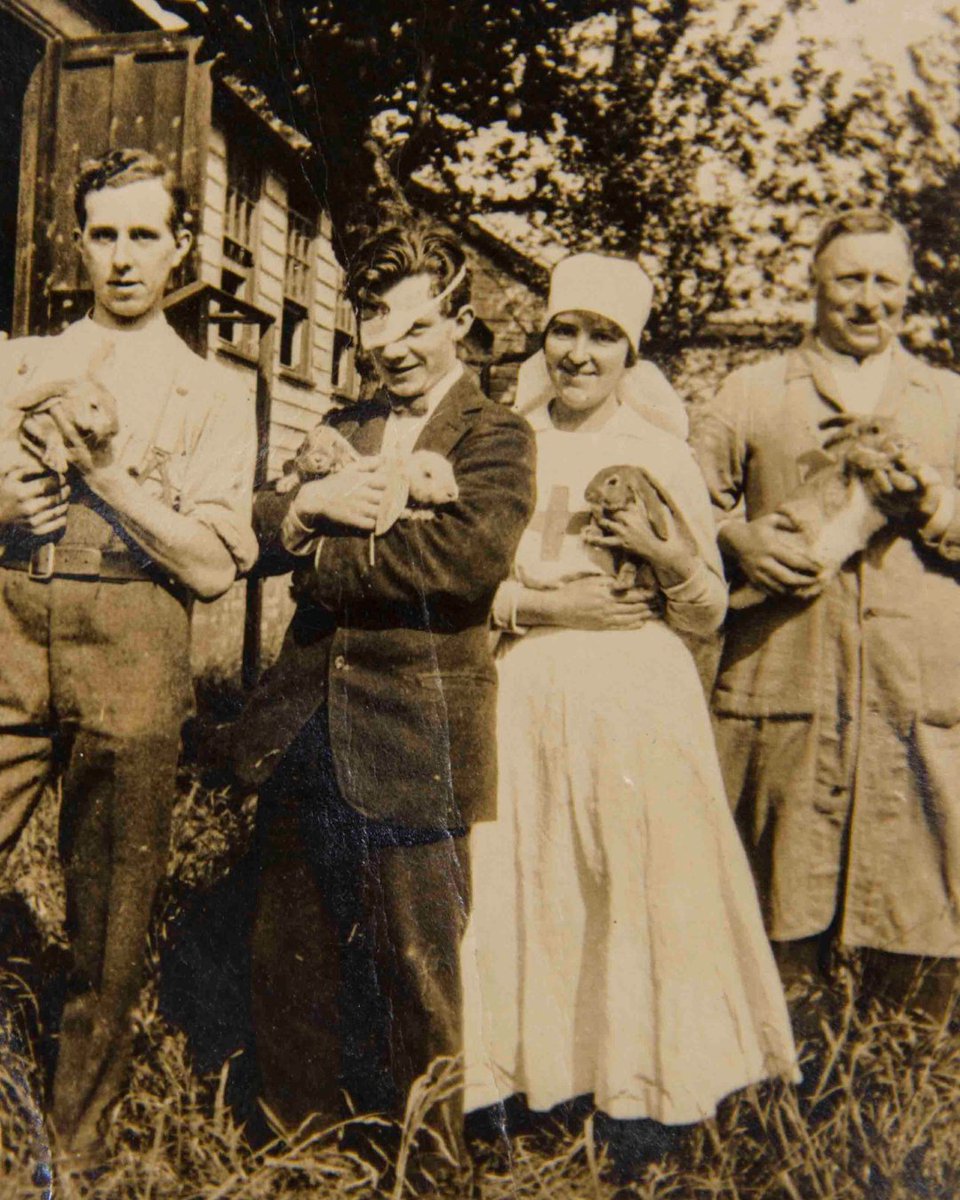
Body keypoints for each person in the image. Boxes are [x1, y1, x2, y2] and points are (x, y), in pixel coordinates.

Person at [460, 253, 798, 1165]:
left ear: (630, 350)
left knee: (634, 879)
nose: (578, 354)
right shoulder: (502, 440)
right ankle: (524, 1084)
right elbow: (464, 582)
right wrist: (541, 606)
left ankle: (647, 1093)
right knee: (524, 875)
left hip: (636, 695)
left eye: (602, 336)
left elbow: (704, 610)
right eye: (564, 331)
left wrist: (671, 554)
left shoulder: (660, 453)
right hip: (525, 684)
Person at [236, 220, 536, 1176]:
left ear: (460, 322)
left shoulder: (498, 435)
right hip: (306, 728)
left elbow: (458, 564)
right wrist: (303, 511)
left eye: (414, 326)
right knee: (292, 956)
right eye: (375, 321)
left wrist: (319, 561)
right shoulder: (348, 420)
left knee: (420, 971)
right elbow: (258, 521)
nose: (391, 347)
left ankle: (433, 1168)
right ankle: (299, 1153)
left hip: (419, 735)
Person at [0, 148, 257, 1164]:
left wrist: (109, 477)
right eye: (103, 233)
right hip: (10, 628)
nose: (121, 257)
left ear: (182, 249)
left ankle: (75, 1147)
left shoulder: (214, 391)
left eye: (144, 234)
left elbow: (208, 569)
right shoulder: (17, 362)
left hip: (136, 643)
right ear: (78, 241)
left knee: (109, 917)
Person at [690, 209, 960, 1018]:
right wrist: (735, 540)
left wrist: (937, 504)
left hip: (916, 686)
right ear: (814, 283)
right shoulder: (752, 391)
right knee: (777, 894)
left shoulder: (947, 398)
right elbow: (678, 507)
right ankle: (773, 1087)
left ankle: (901, 1085)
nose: (869, 299)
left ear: (909, 291)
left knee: (918, 884)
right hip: (784, 679)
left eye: (885, 281)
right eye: (850, 279)